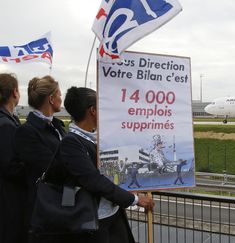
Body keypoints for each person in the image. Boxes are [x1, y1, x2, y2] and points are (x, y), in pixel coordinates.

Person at [44, 86, 154, 242]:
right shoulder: (72, 143)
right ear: (93, 111)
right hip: (92, 222)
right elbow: (95, 181)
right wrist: (134, 200)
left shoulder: (100, 139)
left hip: (112, 214)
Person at [14, 75, 66, 240]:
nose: (61, 98)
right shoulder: (27, 132)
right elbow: (51, 168)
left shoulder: (57, 126)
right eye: (59, 94)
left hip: (63, 202)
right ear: (51, 99)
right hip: (45, 211)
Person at [0, 73, 26, 243]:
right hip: (9, 201)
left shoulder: (9, 120)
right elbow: (11, 167)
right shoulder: (6, 124)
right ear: (15, 92)